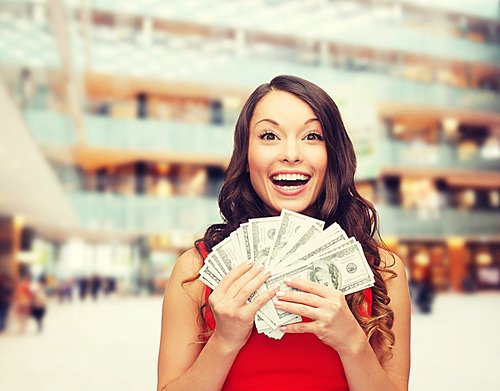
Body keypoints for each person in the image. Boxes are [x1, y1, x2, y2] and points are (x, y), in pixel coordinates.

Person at [157, 75, 411, 391]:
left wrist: (351, 342)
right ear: (245, 156)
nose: (291, 153)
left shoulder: (383, 271)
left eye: (312, 136)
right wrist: (224, 340)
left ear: (333, 156)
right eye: (269, 135)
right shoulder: (197, 270)